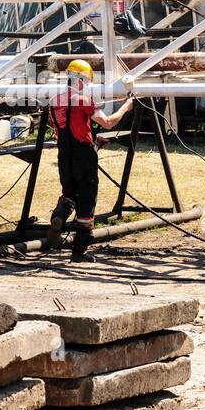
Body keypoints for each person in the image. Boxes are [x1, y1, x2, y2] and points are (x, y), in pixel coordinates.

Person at [45, 59, 135, 261]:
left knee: (69, 193)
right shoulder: (83, 100)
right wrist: (126, 107)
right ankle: (79, 252)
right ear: (81, 80)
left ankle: (58, 217)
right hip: (84, 158)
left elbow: (68, 131)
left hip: (64, 156)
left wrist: (94, 140)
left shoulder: (53, 102)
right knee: (86, 199)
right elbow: (109, 122)